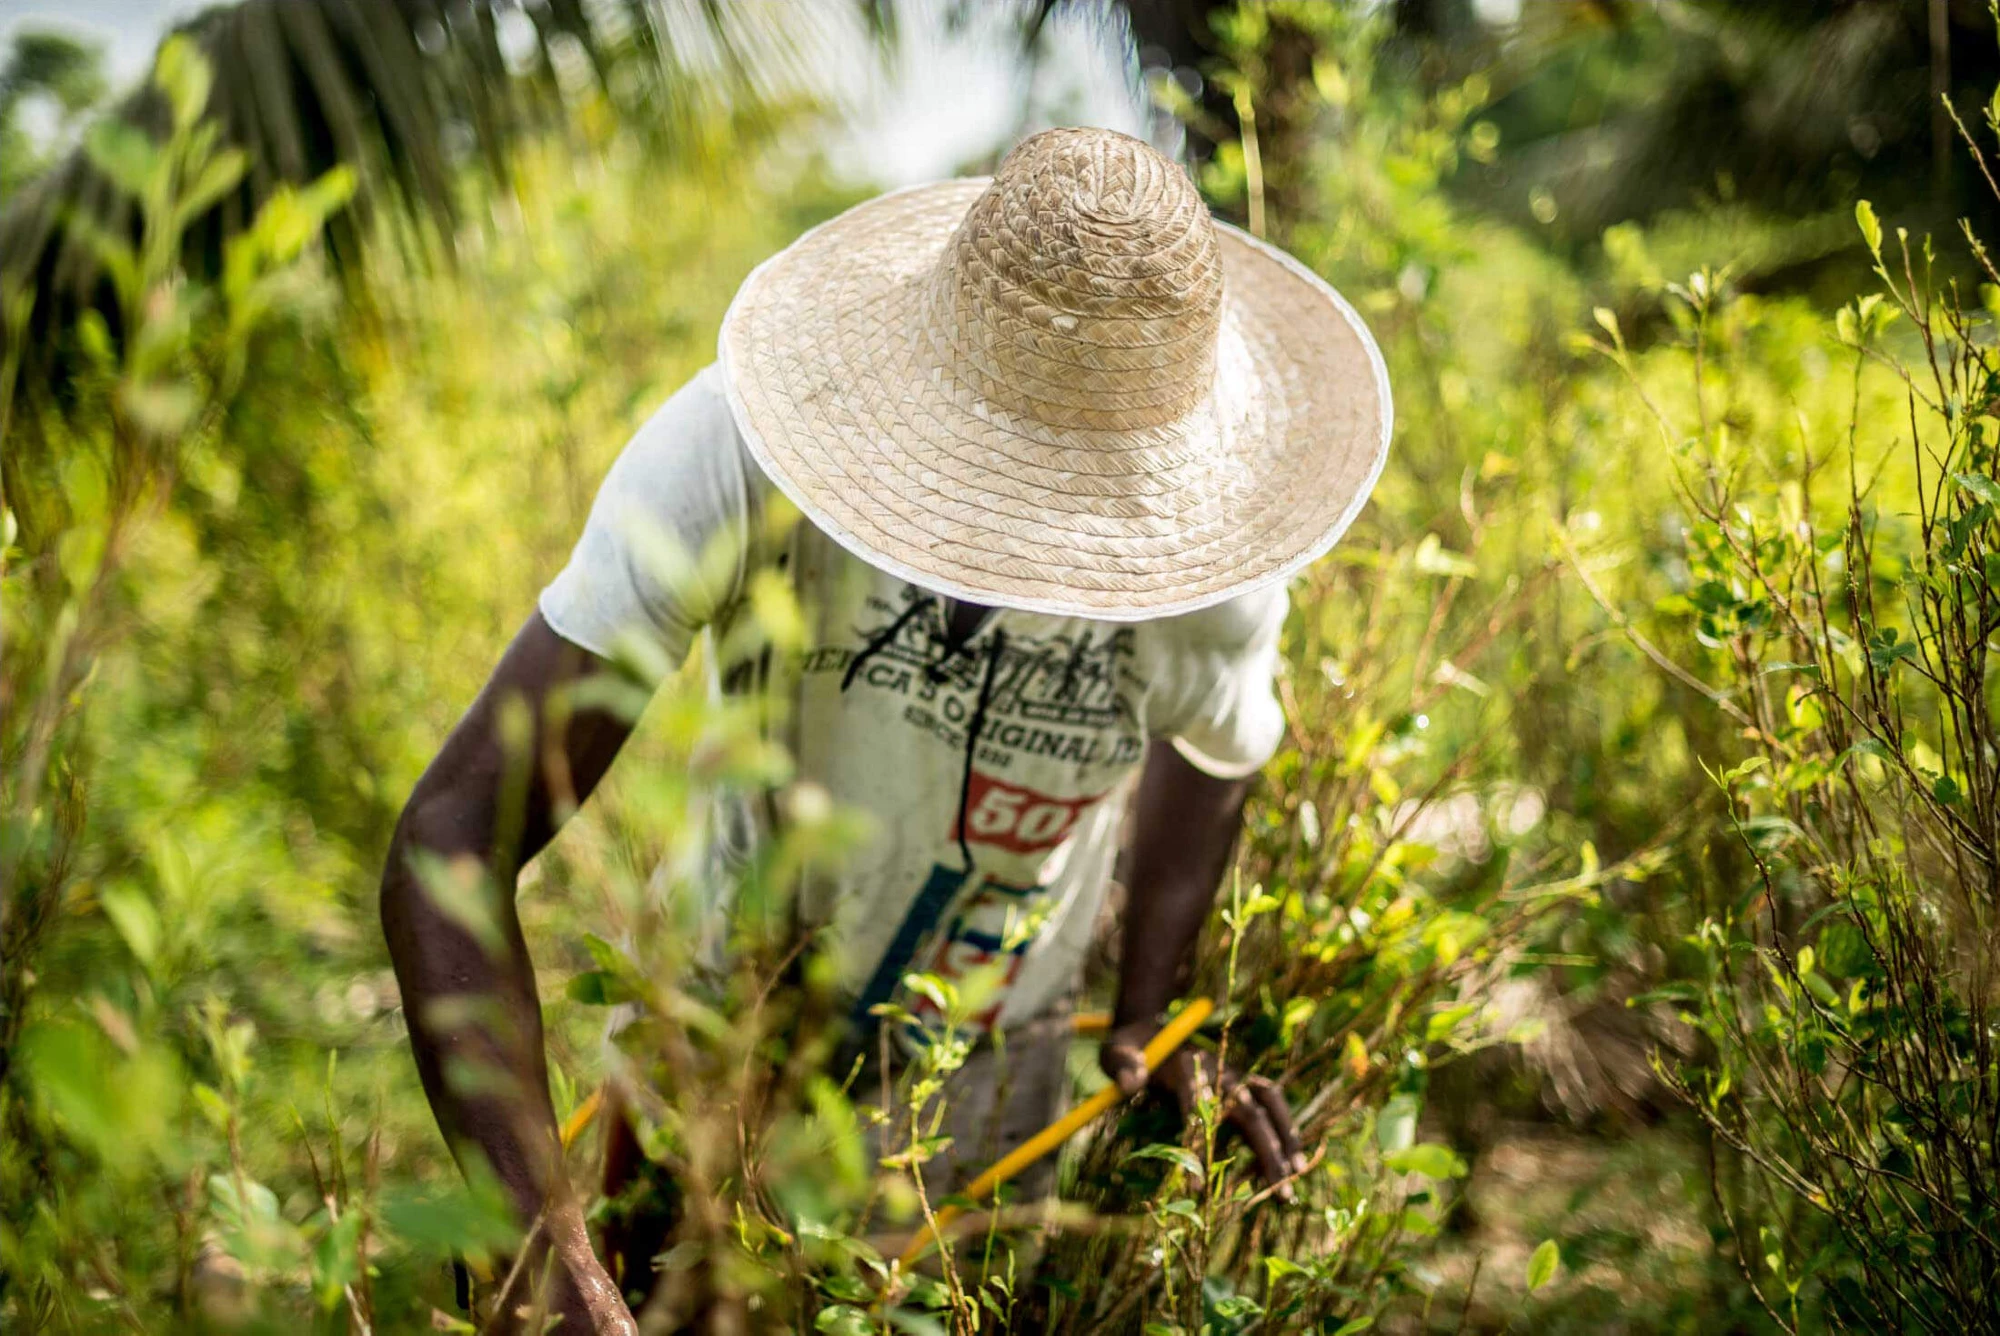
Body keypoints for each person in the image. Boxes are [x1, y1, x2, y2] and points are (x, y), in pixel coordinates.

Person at [378, 126, 1390, 1333]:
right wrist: (544, 1250)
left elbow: (1219, 749)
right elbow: (448, 837)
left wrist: (1147, 1013)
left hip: (987, 1087)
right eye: (989, 489)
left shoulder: (1214, 565)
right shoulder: (735, 453)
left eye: (1074, 511)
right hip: (716, 1040)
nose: (1021, 550)